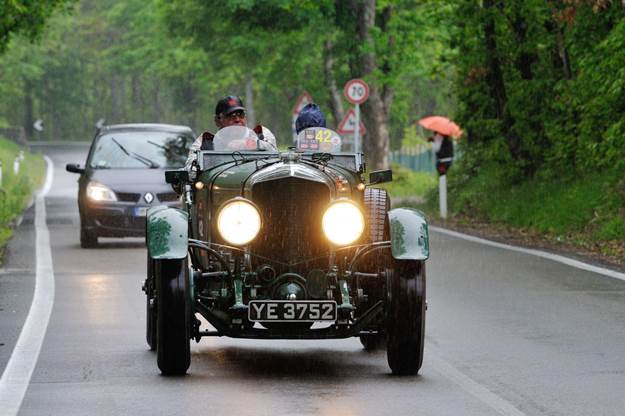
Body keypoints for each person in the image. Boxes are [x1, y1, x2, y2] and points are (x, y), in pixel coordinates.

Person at [186, 95, 276, 168]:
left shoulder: (261, 134)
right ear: (217, 120)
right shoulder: (204, 142)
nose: (237, 119)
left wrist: (247, 144)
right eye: (230, 115)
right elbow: (190, 170)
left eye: (240, 114)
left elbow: (275, 154)